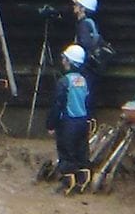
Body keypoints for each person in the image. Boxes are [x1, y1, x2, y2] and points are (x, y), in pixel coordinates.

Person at [46, 44, 92, 195]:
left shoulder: (64, 82)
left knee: (66, 152)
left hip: (68, 123)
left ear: (70, 61)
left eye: (65, 59)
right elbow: (88, 101)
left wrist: (51, 124)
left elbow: (57, 105)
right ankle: (83, 182)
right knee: (82, 152)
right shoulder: (84, 80)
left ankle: (68, 185)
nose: (63, 61)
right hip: (83, 122)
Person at [71, 0, 103, 107]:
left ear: (83, 8)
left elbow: (84, 46)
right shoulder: (91, 23)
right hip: (91, 67)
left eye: (77, 5)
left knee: (83, 96)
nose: (74, 7)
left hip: (86, 68)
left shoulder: (84, 25)